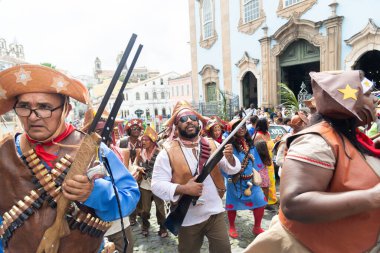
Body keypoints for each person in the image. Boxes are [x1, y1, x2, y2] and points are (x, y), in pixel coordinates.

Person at [0, 64, 140, 252]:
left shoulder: (93, 148)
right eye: (24, 107)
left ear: (66, 109)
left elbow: (129, 198)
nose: (33, 117)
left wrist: (93, 193)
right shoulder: (5, 151)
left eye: (44, 107)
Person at [245, 70, 380, 253]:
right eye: (368, 93)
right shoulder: (317, 141)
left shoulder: (348, 138)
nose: (375, 99)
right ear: (348, 101)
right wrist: (373, 197)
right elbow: (294, 203)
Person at [151, 101, 241, 253]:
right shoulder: (167, 152)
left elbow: (231, 169)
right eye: (183, 119)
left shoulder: (212, 144)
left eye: (192, 117)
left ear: (198, 123)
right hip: (187, 218)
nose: (189, 121)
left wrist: (231, 158)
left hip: (214, 212)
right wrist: (184, 189)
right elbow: (156, 185)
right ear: (176, 126)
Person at [81, 110, 136, 253]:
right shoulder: (81, 155)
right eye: (98, 130)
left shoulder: (118, 152)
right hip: (92, 227)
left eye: (106, 130)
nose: (102, 135)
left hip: (120, 224)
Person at [224, 117, 267, 239]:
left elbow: (256, 162)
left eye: (243, 126)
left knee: (260, 201)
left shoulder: (250, 143)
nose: (241, 129)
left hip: (251, 181)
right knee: (232, 204)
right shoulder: (229, 145)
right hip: (235, 181)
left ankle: (257, 227)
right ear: (232, 130)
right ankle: (232, 226)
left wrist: (258, 173)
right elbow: (224, 164)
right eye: (238, 127)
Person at [133, 126, 168, 238]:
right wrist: (139, 168)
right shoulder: (140, 152)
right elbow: (133, 164)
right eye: (142, 140)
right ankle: (145, 227)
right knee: (144, 210)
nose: (143, 142)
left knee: (160, 209)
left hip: (158, 184)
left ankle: (163, 228)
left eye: (146, 140)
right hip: (145, 185)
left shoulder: (160, 152)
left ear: (152, 141)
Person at [118, 118, 143, 226]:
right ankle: (132, 216)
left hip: (140, 173)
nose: (136, 130)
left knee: (141, 195)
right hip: (126, 173)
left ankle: (141, 213)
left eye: (138, 129)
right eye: (134, 128)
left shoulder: (143, 142)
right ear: (129, 130)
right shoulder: (122, 142)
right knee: (130, 194)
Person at [253, 117, 279, 209]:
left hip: (269, 162)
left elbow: (269, 145)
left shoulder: (267, 133)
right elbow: (254, 150)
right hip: (262, 163)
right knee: (264, 183)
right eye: (267, 123)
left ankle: (271, 199)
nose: (269, 124)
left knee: (271, 181)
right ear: (263, 124)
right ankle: (263, 202)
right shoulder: (257, 136)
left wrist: (275, 141)